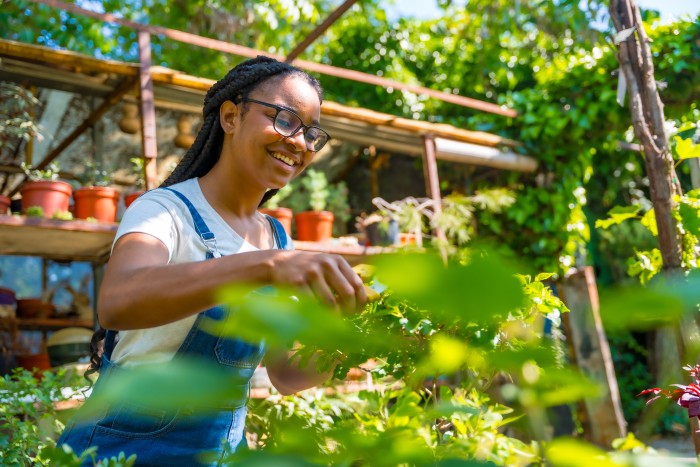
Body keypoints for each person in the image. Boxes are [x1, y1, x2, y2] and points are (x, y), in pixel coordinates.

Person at [58, 56, 367, 465]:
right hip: (126, 450)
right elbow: (117, 302)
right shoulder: (164, 211)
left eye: (311, 133)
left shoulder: (277, 237)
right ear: (230, 117)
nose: (299, 143)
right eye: (286, 120)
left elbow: (287, 374)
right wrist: (266, 266)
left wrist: (352, 336)